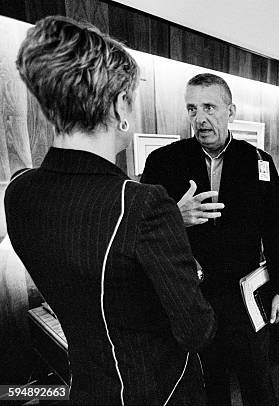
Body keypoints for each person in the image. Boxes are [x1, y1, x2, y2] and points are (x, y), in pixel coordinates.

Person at [6, 16, 216, 405]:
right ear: (121, 105)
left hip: (86, 381)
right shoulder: (143, 203)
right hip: (159, 391)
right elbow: (196, 329)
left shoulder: (18, 190)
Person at [140, 73, 279, 406]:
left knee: (257, 379)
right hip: (191, 295)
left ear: (231, 111)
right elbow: (143, 232)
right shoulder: (163, 162)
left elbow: (277, 229)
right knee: (208, 384)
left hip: (244, 294)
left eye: (209, 107)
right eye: (192, 109)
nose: (200, 118)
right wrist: (174, 218)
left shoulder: (259, 163)